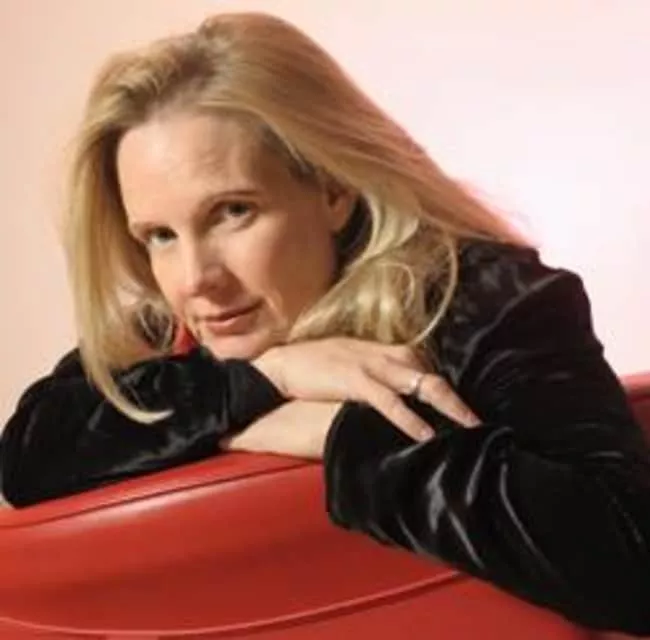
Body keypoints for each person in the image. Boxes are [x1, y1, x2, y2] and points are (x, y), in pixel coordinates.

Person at [1, 11, 649, 635]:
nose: (195, 278)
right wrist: (264, 383)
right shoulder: (168, 331)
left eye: (232, 212)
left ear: (333, 188)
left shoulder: (482, 301)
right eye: (160, 235)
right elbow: (28, 457)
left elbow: (633, 561)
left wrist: (341, 431)